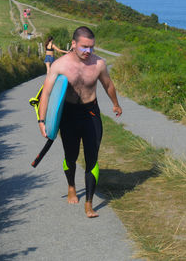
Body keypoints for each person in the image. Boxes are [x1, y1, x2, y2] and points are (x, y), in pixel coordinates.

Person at [37, 26, 122, 218]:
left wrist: (116, 104)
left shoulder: (99, 63)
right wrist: (42, 120)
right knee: (71, 156)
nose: (88, 51)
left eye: (91, 47)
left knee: (92, 157)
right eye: (84, 47)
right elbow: (47, 93)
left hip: (91, 112)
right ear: (73, 44)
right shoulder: (60, 65)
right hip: (68, 114)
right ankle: (71, 186)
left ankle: (89, 204)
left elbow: (107, 84)